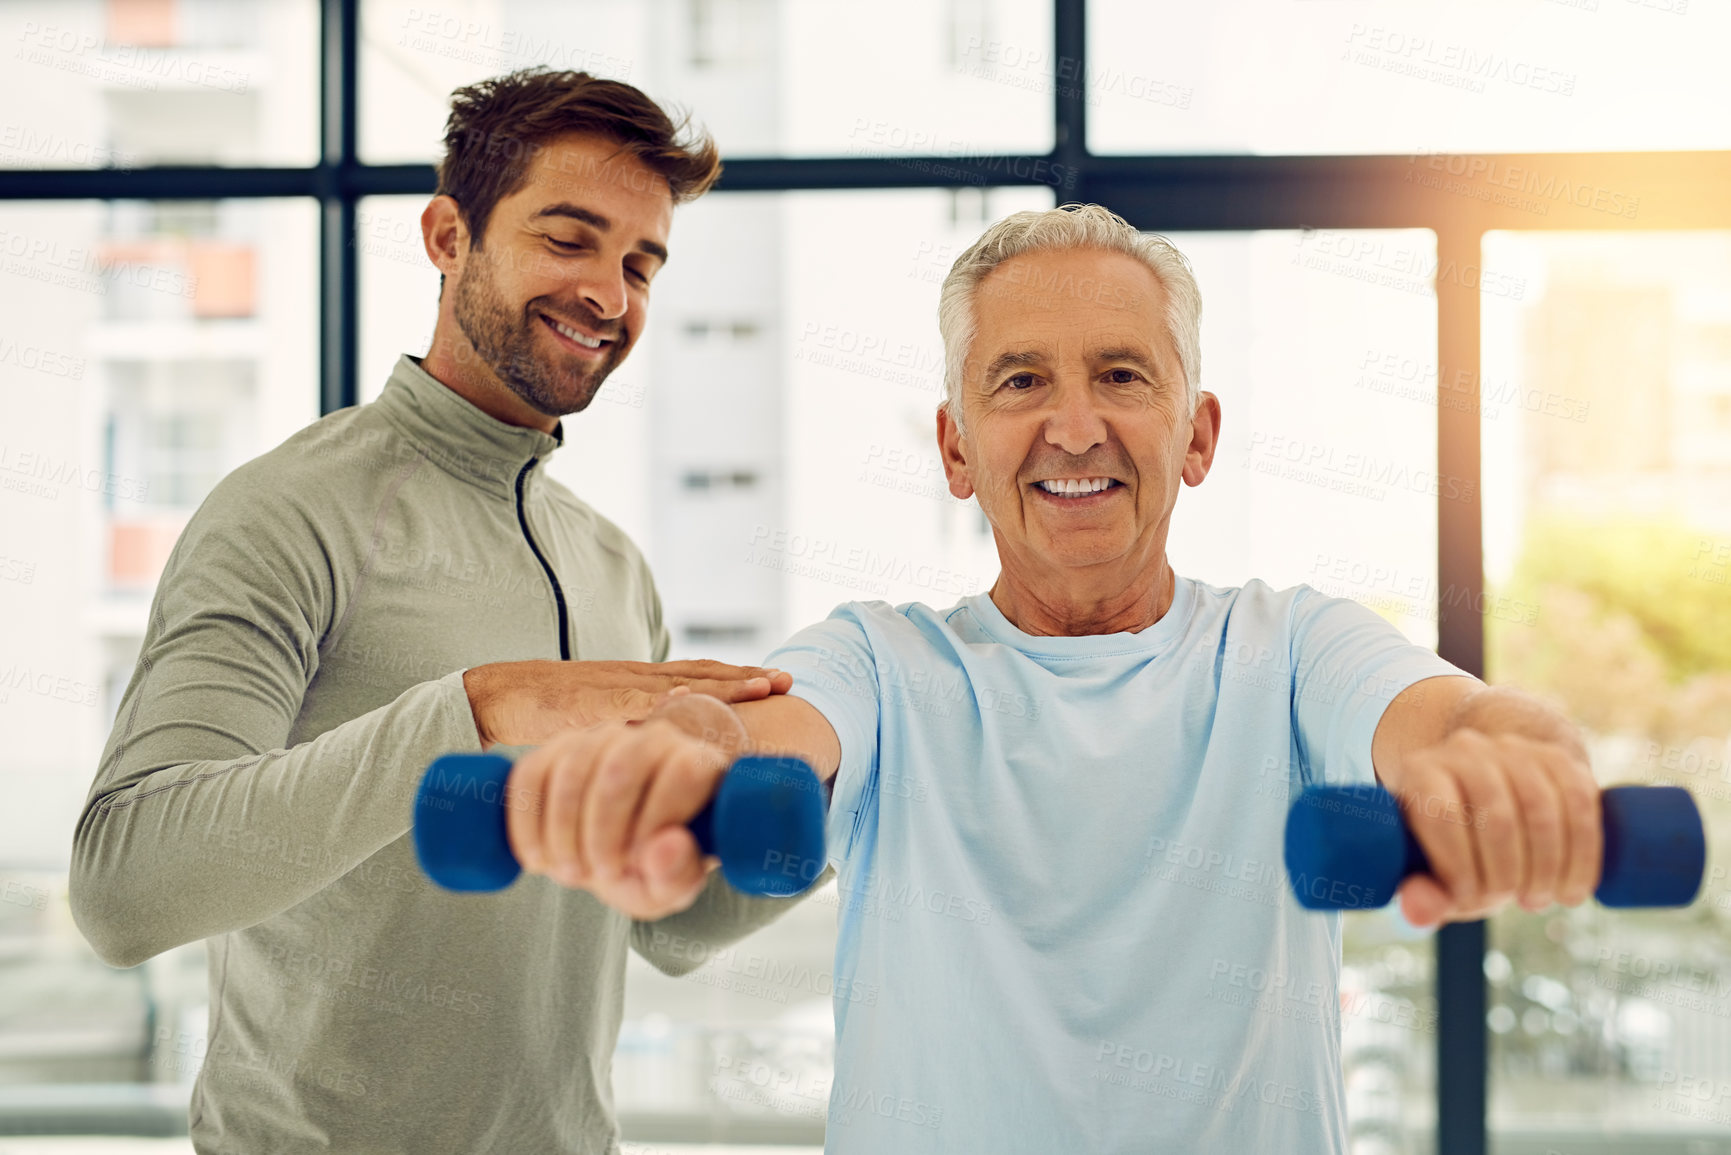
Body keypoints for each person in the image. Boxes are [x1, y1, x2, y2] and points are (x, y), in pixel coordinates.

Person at [500, 204, 1605, 1152]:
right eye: (1022, 381)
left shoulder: (1292, 648)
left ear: (1196, 435)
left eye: (1122, 376)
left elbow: (1448, 718)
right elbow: (762, 737)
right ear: (956, 449)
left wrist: (1513, 754)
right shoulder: (882, 661)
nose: (1075, 429)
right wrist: (683, 755)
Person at [70, 68, 822, 1154]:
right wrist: (478, 709)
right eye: (570, 239)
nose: (610, 296)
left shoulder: (611, 566)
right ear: (446, 236)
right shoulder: (287, 514)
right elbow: (125, 885)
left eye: (640, 263)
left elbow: (670, 926)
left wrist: (838, 788)